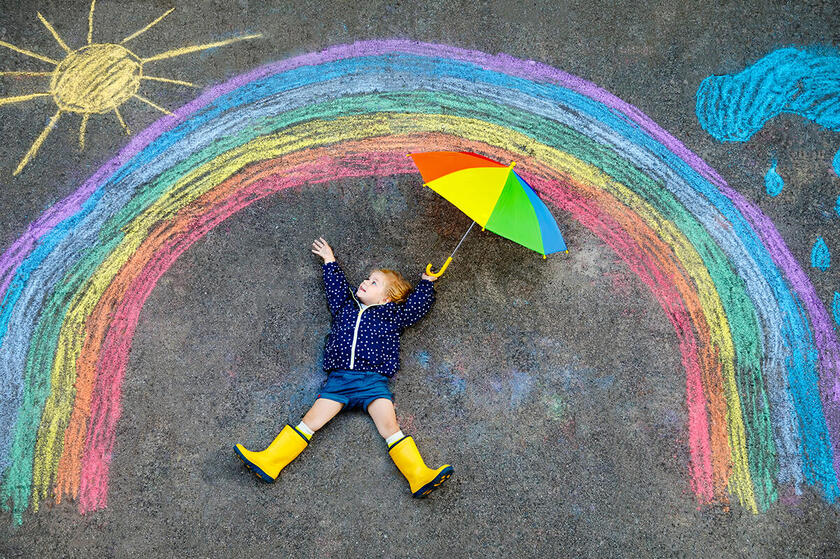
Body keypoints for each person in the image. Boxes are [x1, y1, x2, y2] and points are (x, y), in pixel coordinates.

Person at [234, 237, 453, 498]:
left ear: (387, 299)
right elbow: (336, 288)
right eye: (367, 278)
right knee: (309, 423)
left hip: (373, 383)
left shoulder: (393, 315)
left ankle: (419, 475)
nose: (365, 282)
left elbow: (416, 308)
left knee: (391, 429)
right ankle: (270, 461)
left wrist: (427, 283)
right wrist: (329, 261)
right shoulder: (345, 306)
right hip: (338, 382)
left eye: (374, 282)